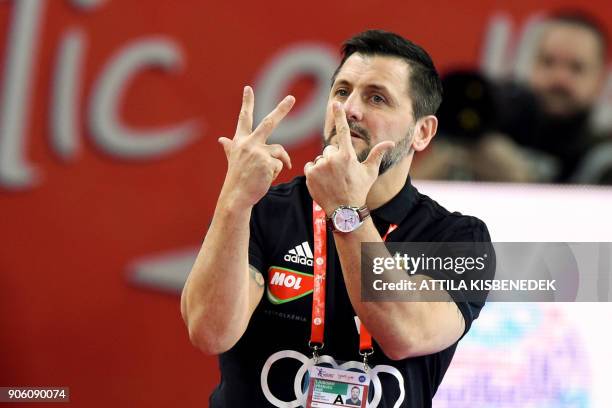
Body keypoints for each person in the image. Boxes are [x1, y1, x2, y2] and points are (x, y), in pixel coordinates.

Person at [181, 30, 493, 407]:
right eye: (342, 92)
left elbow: (406, 332)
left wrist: (347, 211)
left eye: (376, 98)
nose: (349, 110)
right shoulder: (263, 210)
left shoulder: (456, 237)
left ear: (422, 132)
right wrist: (233, 202)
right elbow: (210, 332)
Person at [414, 11, 611, 184]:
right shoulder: (499, 124)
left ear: (600, 79)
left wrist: (520, 183)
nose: (559, 78)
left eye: (576, 68)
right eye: (548, 62)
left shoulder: (603, 154)